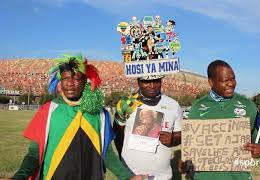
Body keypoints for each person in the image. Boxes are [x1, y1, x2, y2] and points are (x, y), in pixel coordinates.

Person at [11, 55, 144, 180]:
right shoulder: (48, 110)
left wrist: (127, 177)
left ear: (85, 81)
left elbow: (107, 153)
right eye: (65, 78)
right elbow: (34, 153)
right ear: (60, 82)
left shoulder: (100, 114)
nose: (70, 83)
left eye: (76, 78)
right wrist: (19, 177)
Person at [183, 60, 260, 180]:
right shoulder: (197, 107)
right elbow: (190, 145)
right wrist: (185, 163)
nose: (231, 84)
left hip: (238, 177)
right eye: (225, 80)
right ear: (211, 82)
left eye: (233, 79)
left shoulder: (247, 105)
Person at [113, 75, 182, 180]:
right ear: (138, 82)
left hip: (162, 176)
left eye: (157, 81)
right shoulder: (125, 104)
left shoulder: (173, 105)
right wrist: (123, 164)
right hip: (131, 174)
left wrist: (173, 139)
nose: (152, 86)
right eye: (146, 81)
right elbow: (118, 135)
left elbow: (181, 134)